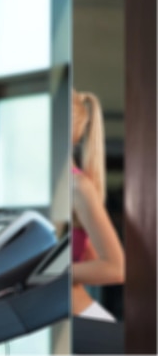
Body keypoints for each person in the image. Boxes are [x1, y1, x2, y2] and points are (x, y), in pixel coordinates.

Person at [71, 88, 125, 322]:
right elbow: (89, 257)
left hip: (83, 321)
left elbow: (116, 268)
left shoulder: (79, 187)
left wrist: (50, 274)